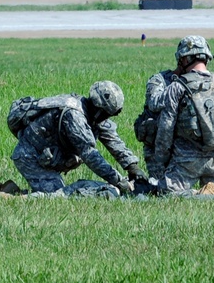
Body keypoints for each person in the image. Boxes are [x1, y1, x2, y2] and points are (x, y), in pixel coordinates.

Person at [10, 80, 146, 196]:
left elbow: (113, 140)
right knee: (56, 196)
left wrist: (133, 167)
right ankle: (4, 195)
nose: (107, 118)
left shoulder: (95, 116)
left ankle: (13, 190)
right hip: (29, 156)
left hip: (47, 158)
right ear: (99, 108)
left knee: (60, 192)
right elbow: (90, 155)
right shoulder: (75, 116)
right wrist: (119, 181)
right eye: (107, 114)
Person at [149, 36, 214, 195]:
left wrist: (161, 162)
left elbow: (166, 128)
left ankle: (198, 194)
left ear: (185, 59)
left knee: (166, 191)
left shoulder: (177, 87)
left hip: (186, 161)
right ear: (207, 57)